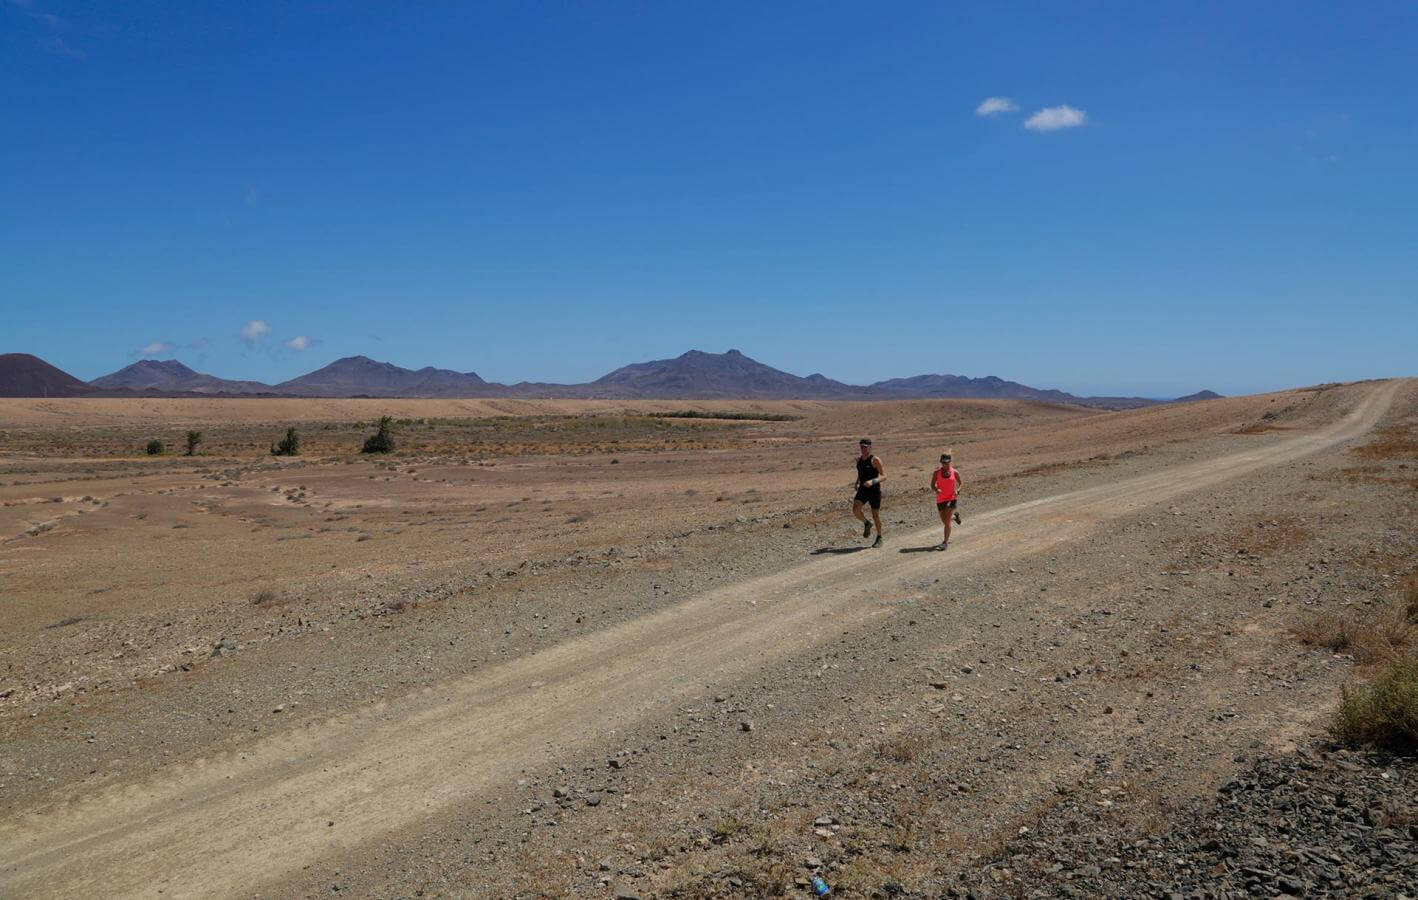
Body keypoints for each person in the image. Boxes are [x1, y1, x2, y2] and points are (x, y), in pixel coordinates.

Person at [853, 438, 885, 548]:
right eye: (861, 446)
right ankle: (867, 523)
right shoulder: (858, 460)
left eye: (865, 447)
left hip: (874, 490)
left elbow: (884, 476)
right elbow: (861, 473)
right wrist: (857, 482)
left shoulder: (875, 460)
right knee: (855, 510)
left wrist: (873, 481)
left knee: (875, 515)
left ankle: (879, 537)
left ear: (870, 447)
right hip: (863, 489)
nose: (863, 449)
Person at [930, 451, 963, 551]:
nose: (944, 464)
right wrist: (936, 489)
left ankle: (945, 542)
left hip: (951, 498)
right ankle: (955, 517)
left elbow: (961, 483)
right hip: (940, 499)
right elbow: (932, 485)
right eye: (943, 462)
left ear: (950, 462)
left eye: (946, 462)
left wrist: (958, 490)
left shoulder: (955, 472)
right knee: (944, 521)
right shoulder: (937, 473)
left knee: (947, 522)